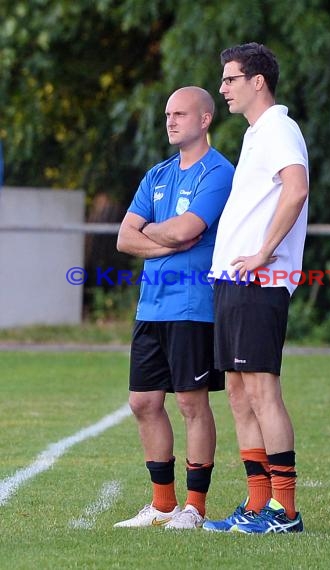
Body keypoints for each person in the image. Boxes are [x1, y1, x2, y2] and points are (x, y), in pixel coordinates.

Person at [114, 86, 234, 530]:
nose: (170, 121)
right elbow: (125, 237)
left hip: (193, 307)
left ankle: (195, 508)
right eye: (167, 114)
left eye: (180, 113)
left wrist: (159, 233)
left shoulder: (218, 171)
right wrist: (170, 242)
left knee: (190, 403)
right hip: (151, 307)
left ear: (205, 119)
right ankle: (162, 504)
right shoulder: (158, 174)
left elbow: (192, 227)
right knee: (143, 401)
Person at [202, 43, 309, 534]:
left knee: (263, 390)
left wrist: (265, 252)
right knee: (240, 396)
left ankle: (285, 512)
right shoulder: (255, 135)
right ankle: (257, 501)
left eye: (230, 79)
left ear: (257, 81)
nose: (223, 88)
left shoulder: (279, 129)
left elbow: (297, 187)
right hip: (232, 280)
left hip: (260, 281)